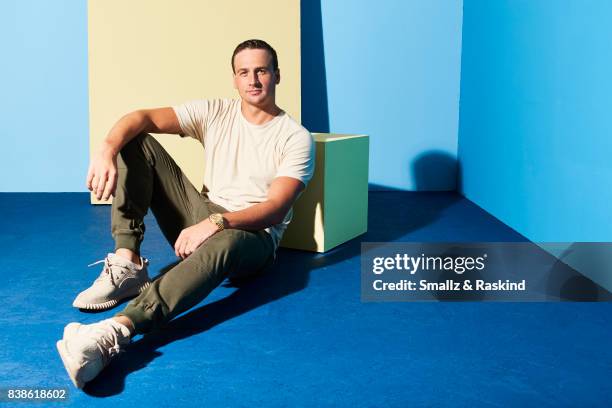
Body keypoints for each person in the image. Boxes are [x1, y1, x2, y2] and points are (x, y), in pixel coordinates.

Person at [56, 39, 315, 389]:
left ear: (276, 76)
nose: (253, 80)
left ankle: (116, 331)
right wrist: (106, 150)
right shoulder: (216, 112)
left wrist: (217, 222)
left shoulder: (295, 137)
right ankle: (127, 262)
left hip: (253, 238)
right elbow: (140, 117)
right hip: (205, 212)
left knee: (229, 241)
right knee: (135, 139)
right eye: (244, 72)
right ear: (235, 79)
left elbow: (275, 209)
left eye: (262, 71)